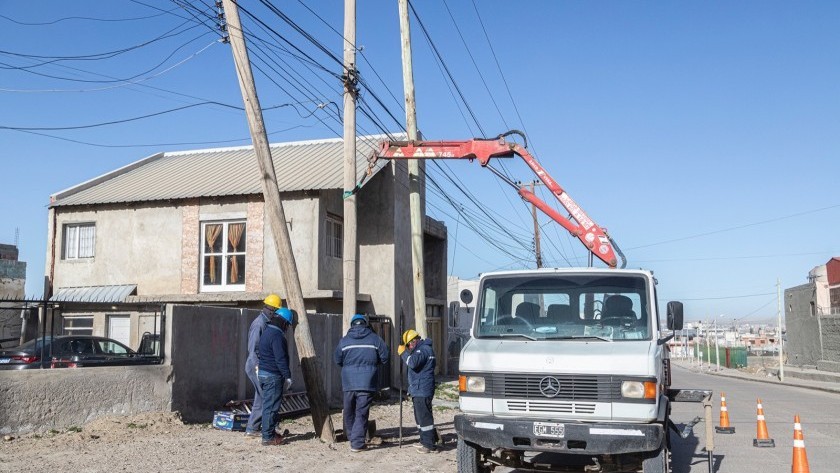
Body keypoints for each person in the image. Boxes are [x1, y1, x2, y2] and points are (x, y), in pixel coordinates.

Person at [333, 314, 389, 452]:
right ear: (365, 324)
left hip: (348, 382)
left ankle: (354, 438)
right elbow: (385, 357)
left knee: (349, 411)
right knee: (361, 412)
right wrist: (374, 365)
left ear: (352, 325)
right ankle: (357, 443)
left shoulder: (344, 341)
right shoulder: (375, 339)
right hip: (367, 381)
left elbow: (337, 360)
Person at [244, 294, 282, 438]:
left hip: (261, 365)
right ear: (272, 309)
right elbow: (253, 349)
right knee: (265, 396)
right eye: (276, 310)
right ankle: (256, 427)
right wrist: (258, 367)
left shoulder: (266, 322)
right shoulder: (259, 324)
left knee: (262, 396)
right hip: (256, 365)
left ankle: (255, 427)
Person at [257, 307, 294, 446]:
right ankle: (267, 437)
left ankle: (270, 432)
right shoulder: (277, 336)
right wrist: (288, 375)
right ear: (284, 322)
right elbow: (280, 359)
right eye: (288, 325)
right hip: (273, 375)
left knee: (267, 405)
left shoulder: (267, 332)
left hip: (264, 373)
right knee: (271, 407)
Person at [398, 329, 438, 453]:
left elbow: (413, 363)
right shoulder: (424, 349)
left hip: (422, 389)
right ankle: (425, 440)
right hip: (420, 389)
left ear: (414, 341)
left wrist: (403, 353)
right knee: (420, 417)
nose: (409, 347)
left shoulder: (423, 350)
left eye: (409, 345)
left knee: (424, 418)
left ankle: (428, 445)